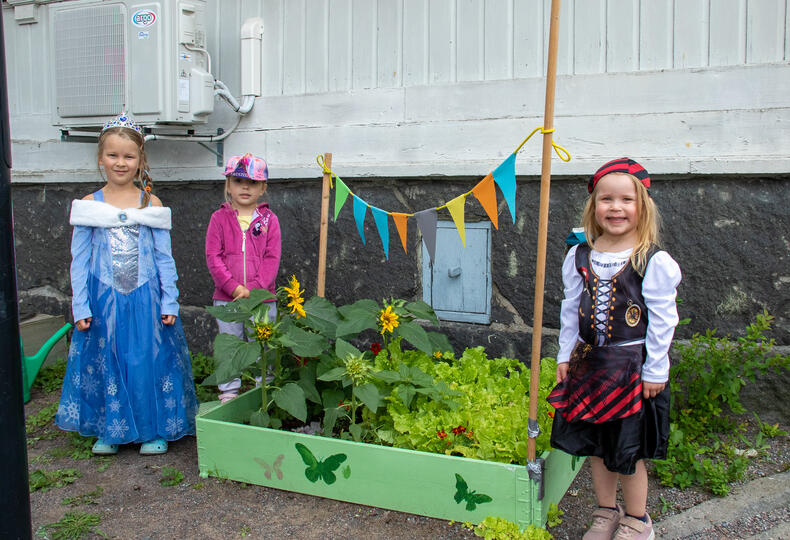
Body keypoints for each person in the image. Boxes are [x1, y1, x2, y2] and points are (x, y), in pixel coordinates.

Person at [547, 158, 682, 540]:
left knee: (628, 451)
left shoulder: (652, 260)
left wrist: (656, 369)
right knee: (594, 445)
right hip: (590, 367)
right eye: (607, 199)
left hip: (630, 368)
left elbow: (664, 320)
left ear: (643, 207)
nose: (616, 207)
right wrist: (564, 354)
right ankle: (606, 512)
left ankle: (638, 520)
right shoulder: (580, 255)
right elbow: (571, 310)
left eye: (627, 200)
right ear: (594, 207)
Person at [56, 113, 198, 455]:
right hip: (105, 300)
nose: (121, 163)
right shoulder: (89, 207)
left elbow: (165, 259)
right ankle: (110, 427)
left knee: (147, 359)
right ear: (101, 158)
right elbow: (79, 260)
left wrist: (169, 301)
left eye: (129, 156)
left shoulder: (152, 206)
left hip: (145, 298)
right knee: (109, 358)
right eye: (113, 155)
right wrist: (81, 306)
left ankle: (152, 429)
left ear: (140, 160)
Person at [205, 153, 281, 403]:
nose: (245, 187)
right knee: (230, 344)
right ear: (228, 185)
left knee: (262, 343)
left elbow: (272, 258)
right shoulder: (219, 218)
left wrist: (256, 289)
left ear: (263, 188)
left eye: (253, 182)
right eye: (238, 181)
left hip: (262, 299)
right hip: (228, 299)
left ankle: (263, 388)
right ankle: (229, 391)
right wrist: (233, 287)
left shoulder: (270, 220)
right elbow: (213, 257)